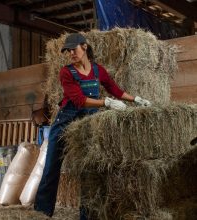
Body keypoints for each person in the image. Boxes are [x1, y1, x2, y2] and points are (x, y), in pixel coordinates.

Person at [34, 33, 151, 219]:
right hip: (65, 123)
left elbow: (115, 89)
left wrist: (136, 99)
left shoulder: (98, 70)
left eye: (74, 48)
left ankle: (87, 215)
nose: (71, 53)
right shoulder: (66, 72)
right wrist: (106, 103)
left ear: (85, 47)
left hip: (87, 125)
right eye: (68, 50)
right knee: (51, 168)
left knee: (88, 170)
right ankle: (41, 212)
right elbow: (79, 100)